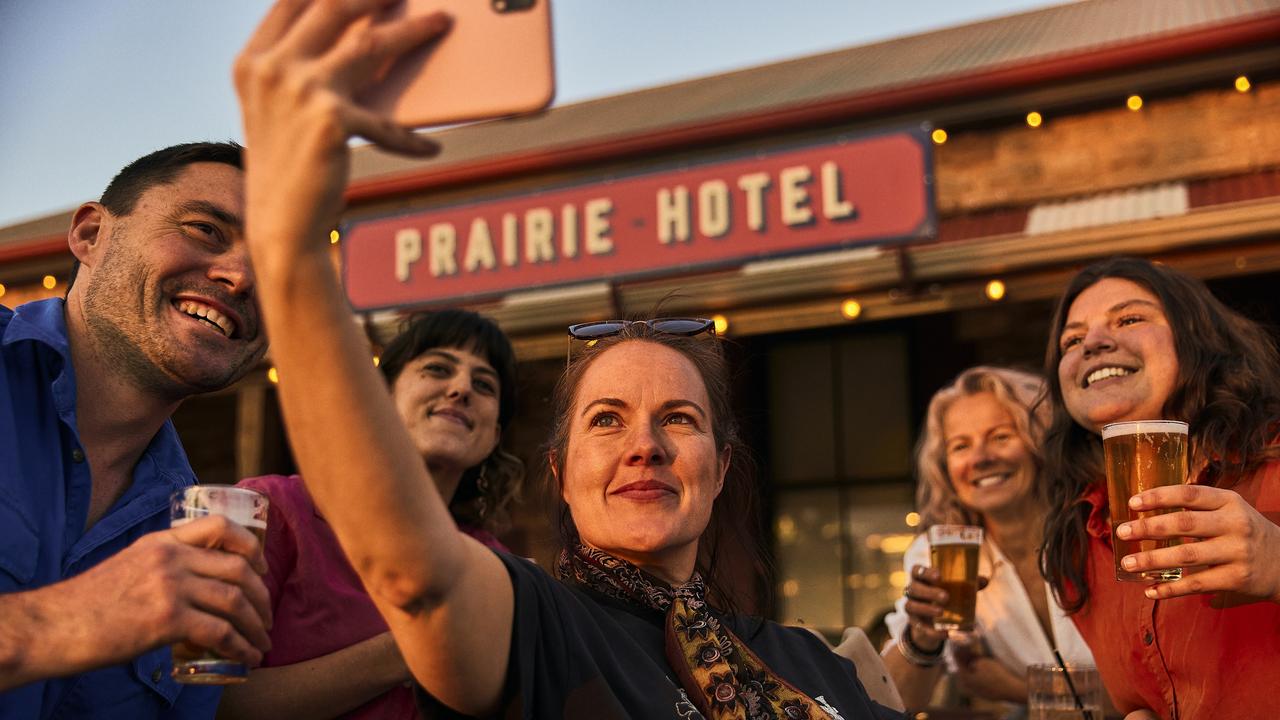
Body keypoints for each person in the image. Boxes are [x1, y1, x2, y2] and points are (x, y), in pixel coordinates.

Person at [231, 3, 906, 717]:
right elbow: (412, 573)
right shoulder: (530, 624)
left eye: (677, 418)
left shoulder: (811, 659)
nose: (644, 447)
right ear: (561, 472)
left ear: (721, 468)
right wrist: (291, 246)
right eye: (607, 421)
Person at [0, 142, 273, 718]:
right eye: (205, 229)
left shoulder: (193, 528)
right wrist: (60, 622)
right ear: (91, 234)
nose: (243, 275)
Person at [219, 310, 523, 720]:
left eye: (484, 384)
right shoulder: (262, 508)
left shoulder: (496, 568)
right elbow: (210, 700)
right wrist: (412, 646)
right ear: (380, 398)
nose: (461, 389)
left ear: (494, 435)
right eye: (437, 369)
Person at [1040, 257, 1280, 720]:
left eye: (1129, 318)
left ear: (1197, 338)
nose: (1093, 342)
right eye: (1072, 340)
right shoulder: (1078, 541)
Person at [882, 367, 1095, 714]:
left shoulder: (1096, 530)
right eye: (961, 446)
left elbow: (1148, 693)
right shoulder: (945, 554)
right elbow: (893, 703)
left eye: (1000, 437)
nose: (981, 458)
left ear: (1040, 443)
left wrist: (1020, 689)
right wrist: (923, 637)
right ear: (945, 467)